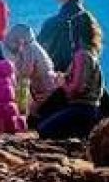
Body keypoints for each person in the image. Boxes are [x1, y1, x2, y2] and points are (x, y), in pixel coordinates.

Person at [37, 11, 105, 140]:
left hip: (81, 109)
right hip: (92, 108)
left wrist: (62, 82)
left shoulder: (81, 55)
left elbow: (77, 88)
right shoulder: (91, 53)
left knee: (43, 129)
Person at [4, 24, 57, 123]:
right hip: (46, 87)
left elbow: (26, 73)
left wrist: (12, 76)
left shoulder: (29, 49)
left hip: (43, 90)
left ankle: (21, 113)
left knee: (22, 86)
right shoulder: (34, 46)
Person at [38, 0, 85, 71]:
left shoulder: (56, 20)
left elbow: (40, 40)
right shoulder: (84, 15)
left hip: (61, 64)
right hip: (81, 63)